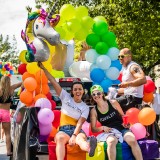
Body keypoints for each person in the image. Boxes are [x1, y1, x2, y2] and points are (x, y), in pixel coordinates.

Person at [38, 62, 97, 160]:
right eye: (75, 89)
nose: (78, 91)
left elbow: (79, 123)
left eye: (80, 89)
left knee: (81, 140)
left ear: (83, 91)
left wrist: (74, 135)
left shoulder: (85, 107)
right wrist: (44, 69)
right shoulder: (65, 97)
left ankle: (89, 148)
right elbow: (53, 81)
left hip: (77, 130)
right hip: (63, 130)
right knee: (60, 139)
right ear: (72, 91)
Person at [90, 84, 143, 160]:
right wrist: (102, 127)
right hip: (110, 131)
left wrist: (126, 124)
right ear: (92, 96)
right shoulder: (94, 111)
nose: (96, 95)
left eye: (98, 93)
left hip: (122, 128)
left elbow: (123, 116)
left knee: (132, 140)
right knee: (111, 142)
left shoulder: (113, 103)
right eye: (93, 94)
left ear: (102, 94)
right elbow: (93, 129)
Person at [116, 48, 146, 113]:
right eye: (119, 57)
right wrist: (114, 91)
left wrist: (128, 84)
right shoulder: (125, 68)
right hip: (129, 98)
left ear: (129, 57)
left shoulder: (133, 66)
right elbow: (129, 89)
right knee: (107, 100)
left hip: (133, 99)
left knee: (111, 104)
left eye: (122, 56)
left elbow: (143, 79)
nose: (120, 58)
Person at [0, 76, 22, 156]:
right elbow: (21, 83)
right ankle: (8, 152)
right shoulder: (11, 89)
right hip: (6, 113)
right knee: (7, 134)